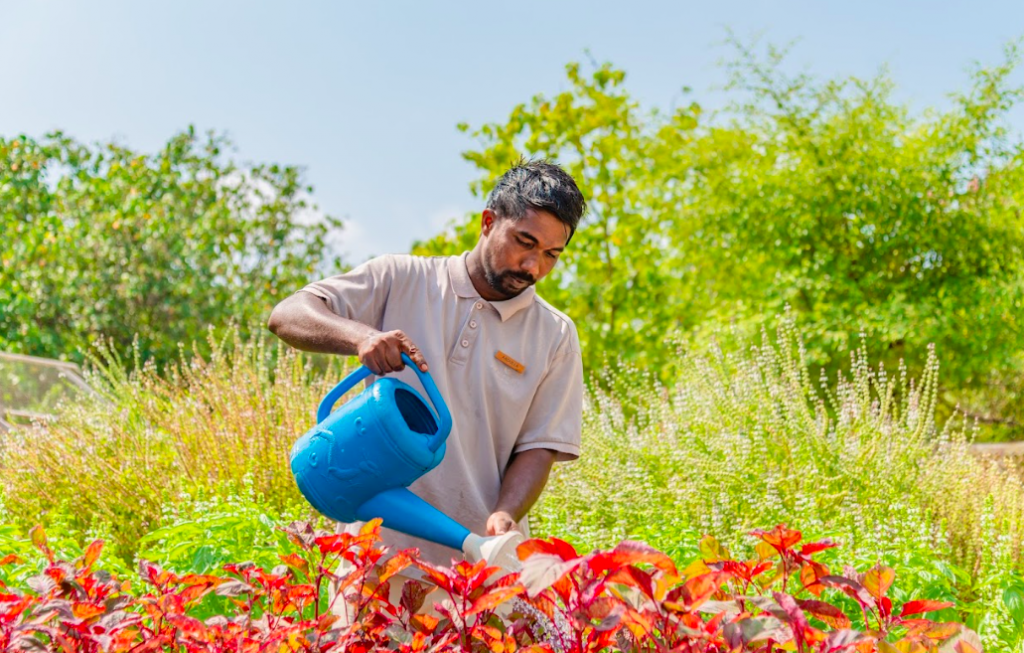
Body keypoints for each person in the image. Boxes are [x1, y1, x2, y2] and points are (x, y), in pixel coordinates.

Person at [266, 159, 586, 619]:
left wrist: (504, 514)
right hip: (371, 562)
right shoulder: (400, 278)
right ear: (488, 221)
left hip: (472, 577)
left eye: (553, 254)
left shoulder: (554, 335)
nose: (534, 265)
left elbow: (539, 447)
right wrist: (360, 337)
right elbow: (288, 315)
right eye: (525, 242)